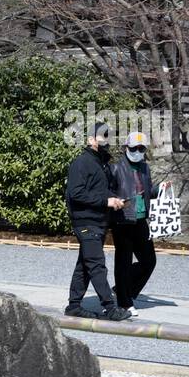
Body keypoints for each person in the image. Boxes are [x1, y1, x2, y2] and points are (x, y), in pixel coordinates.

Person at [65, 122, 130, 321]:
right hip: (85, 222)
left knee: (84, 265)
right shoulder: (81, 163)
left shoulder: (101, 164)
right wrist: (105, 201)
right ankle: (110, 308)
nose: (105, 141)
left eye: (108, 137)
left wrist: (115, 201)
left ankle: (74, 306)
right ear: (91, 139)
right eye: (102, 137)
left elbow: (101, 192)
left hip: (98, 220)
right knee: (96, 264)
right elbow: (75, 194)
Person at [109, 132, 169, 310]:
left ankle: (123, 289)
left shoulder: (145, 168)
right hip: (123, 219)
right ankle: (124, 302)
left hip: (141, 219)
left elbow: (147, 192)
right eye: (133, 148)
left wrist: (160, 189)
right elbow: (108, 192)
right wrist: (115, 201)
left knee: (149, 261)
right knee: (124, 261)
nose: (137, 151)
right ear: (126, 148)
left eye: (141, 148)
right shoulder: (115, 168)